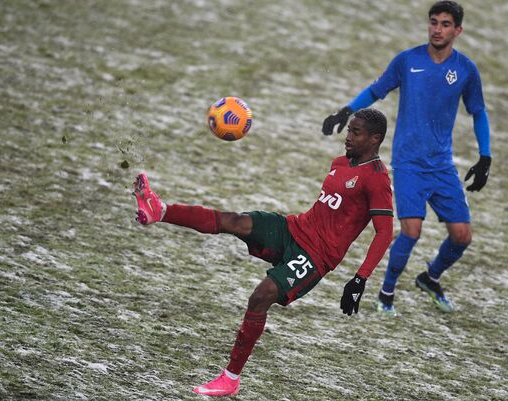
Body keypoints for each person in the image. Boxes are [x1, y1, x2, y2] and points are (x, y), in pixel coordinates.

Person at [133, 108, 393, 397]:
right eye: (349, 131)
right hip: (294, 229)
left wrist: (360, 279)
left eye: (356, 133)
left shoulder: (377, 180)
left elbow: (384, 232)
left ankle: (230, 378)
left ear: (375, 139)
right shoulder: (340, 162)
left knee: (261, 297)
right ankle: (161, 210)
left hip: (316, 256)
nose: (348, 137)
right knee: (236, 221)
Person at [322, 1, 491, 316]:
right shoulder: (407, 61)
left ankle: (430, 277)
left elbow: (478, 112)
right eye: (433, 22)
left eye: (444, 24)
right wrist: (345, 111)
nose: (437, 29)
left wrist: (485, 157)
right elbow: (376, 90)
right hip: (409, 164)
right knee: (412, 230)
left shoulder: (465, 70)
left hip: (441, 165)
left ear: (457, 30)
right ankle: (386, 293)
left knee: (462, 236)